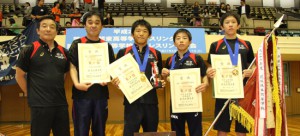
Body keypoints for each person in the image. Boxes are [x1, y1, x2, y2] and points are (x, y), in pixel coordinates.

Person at [15, 15, 70, 136]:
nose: (48, 29)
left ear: (56, 31)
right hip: (39, 105)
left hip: (60, 104)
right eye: (44, 26)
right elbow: (19, 76)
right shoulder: (29, 49)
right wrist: (30, 93)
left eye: (52, 27)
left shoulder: (64, 51)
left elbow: (64, 75)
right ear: (38, 30)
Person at [111, 19, 165, 136]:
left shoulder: (156, 53)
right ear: (132, 34)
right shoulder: (123, 52)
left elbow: (158, 75)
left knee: (151, 133)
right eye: (138, 31)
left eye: (145, 31)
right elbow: (116, 75)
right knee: (129, 133)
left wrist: (160, 83)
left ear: (149, 35)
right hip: (132, 102)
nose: (141, 34)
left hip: (151, 102)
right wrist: (116, 82)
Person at [206, 12, 255, 136]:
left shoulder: (246, 44)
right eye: (227, 23)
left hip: (243, 91)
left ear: (238, 26)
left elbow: (253, 65)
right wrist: (210, 71)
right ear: (222, 27)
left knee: (241, 128)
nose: (230, 25)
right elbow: (210, 66)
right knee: (222, 127)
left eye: (233, 22)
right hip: (223, 90)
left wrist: (252, 71)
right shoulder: (215, 45)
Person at [69, 11, 115, 136]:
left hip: (100, 95)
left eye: (97, 23)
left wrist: (108, 79)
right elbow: (72, 66)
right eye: (90, 22)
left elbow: (112, 68)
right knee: (81, 130)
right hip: (81, 95)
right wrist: (77, 84)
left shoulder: (106, 46)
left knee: (100, 131)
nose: (93, 25)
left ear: (102, 26)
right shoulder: (77, 44)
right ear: (84, 25)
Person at [161, 28, 209, 136]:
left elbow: (204, 75)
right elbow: (166, 79)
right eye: (178, 39)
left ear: (190, 42)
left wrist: (205, 84)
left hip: (193, 101)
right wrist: (164, 75)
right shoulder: (169, 60)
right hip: (176, 101)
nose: (181, 41)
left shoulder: (196, 58)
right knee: (177, 131)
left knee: (196, 131)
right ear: (174, 43)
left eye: (184, 38)